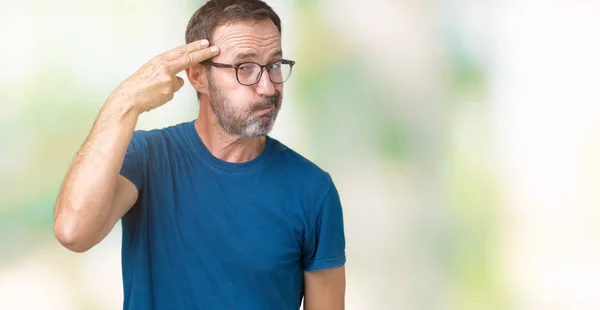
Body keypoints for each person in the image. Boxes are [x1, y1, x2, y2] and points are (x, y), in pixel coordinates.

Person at [53, 0, 346, 309]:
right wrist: (125, 101)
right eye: (244, 67)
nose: (268, 88)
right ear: (197, 77)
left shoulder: (313, 190)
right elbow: (74, 232)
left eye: (274, 65)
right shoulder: (147, 158)